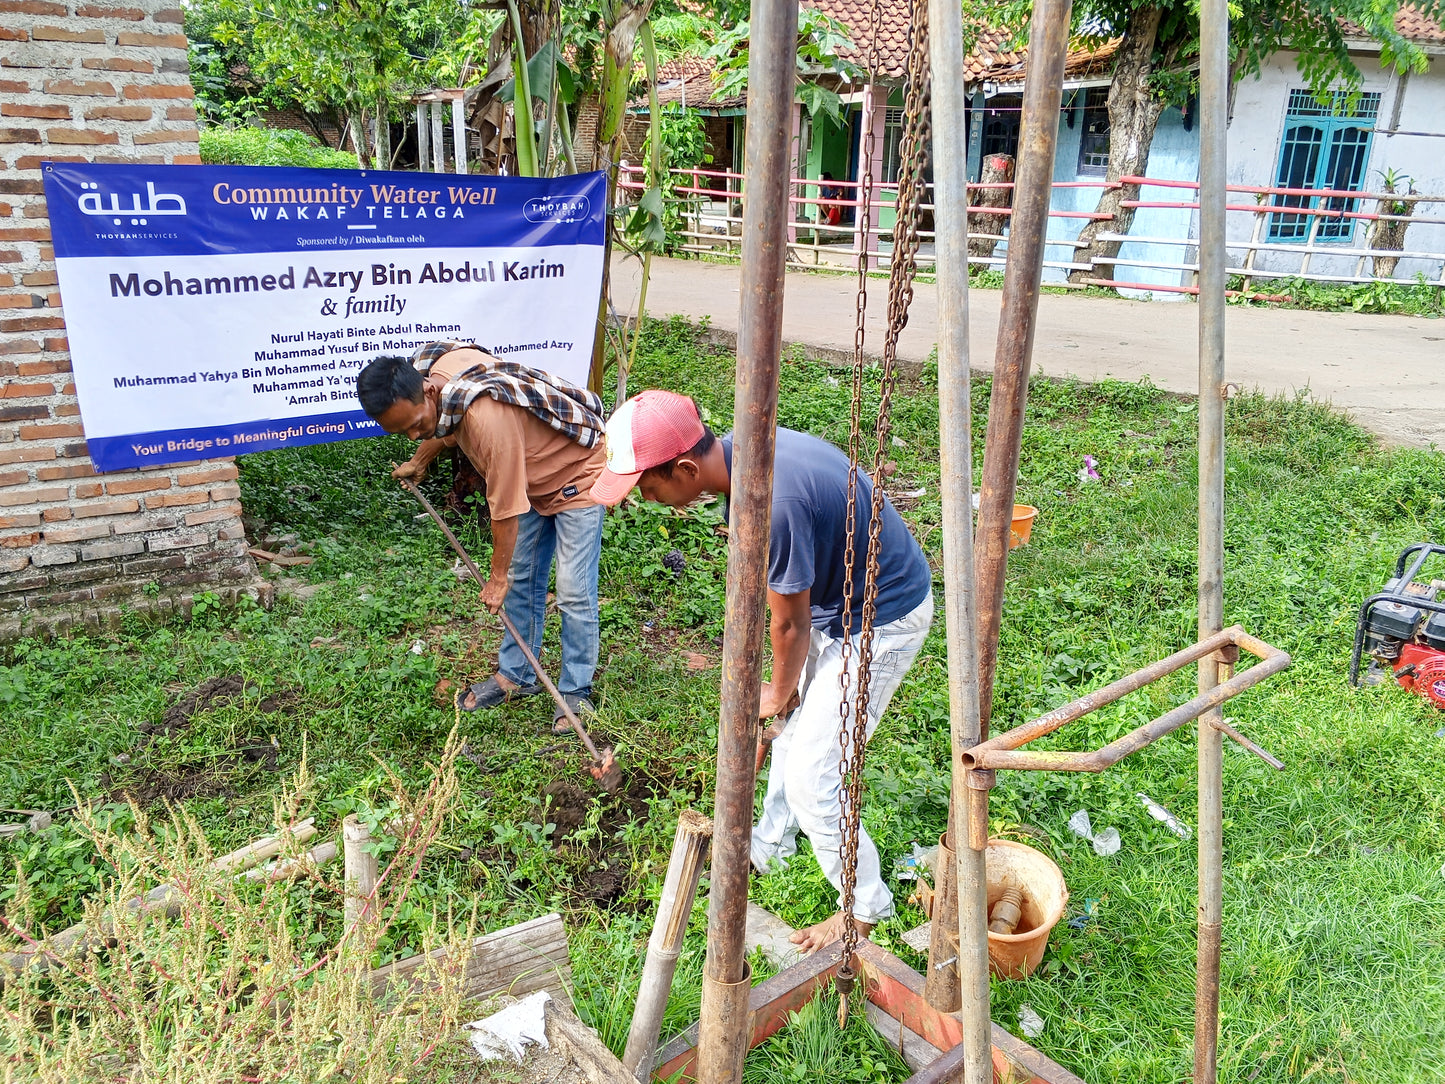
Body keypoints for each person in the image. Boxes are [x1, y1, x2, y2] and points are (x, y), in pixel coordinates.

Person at [590, 390, 933, 954]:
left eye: (645, 487)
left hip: (882, 616)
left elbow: (790, 625)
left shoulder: (769, 502)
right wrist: (783, 702)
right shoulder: (743, 457)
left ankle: (863, 911)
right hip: (838, 603)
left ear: (682, 469)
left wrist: (779, 690)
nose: (643, 499)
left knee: (811, 776)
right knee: (790, 736)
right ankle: (765, 848)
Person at [356, 343, 606, 727]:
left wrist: (496, 577)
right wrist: (419, 460)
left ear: (429, 391)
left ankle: (576, 690)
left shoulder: (485, 418)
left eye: (416, 426)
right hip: (532, 477)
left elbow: (506, 510)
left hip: (577, 474)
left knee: (572, 590)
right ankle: (519, 675)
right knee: (524, 579)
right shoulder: (440, 374)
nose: (413, 435)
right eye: (403, 431)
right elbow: (443, 425)